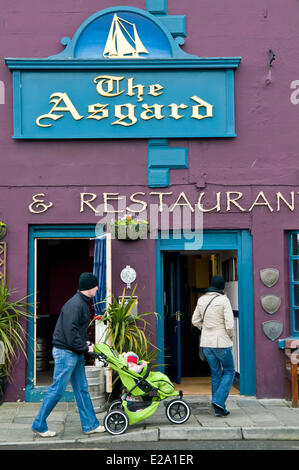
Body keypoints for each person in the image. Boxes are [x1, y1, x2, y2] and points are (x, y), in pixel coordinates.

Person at [32, 272, 106, 437]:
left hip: (74, 352)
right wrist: (86, 348)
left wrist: (85, 343)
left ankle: (90, 425)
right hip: (66, 353)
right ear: (89, 287)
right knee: (57, 390)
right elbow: (70, 332)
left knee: (82, 389)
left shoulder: (82, 303)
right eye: (95, 285)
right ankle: (39, 424)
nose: (97, 288)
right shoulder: (75, 305)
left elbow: (77, 331)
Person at [192, 275, 235, 417]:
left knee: (216, 373)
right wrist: (230, 337)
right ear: (222, 287)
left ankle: (218, 409)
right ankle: (218, 400)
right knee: (229, 371)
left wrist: (205, 327)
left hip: (206, 343)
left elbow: (195, 320)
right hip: (221, 342)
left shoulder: (201, 299)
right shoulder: (224, 300)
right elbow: (229, 325)